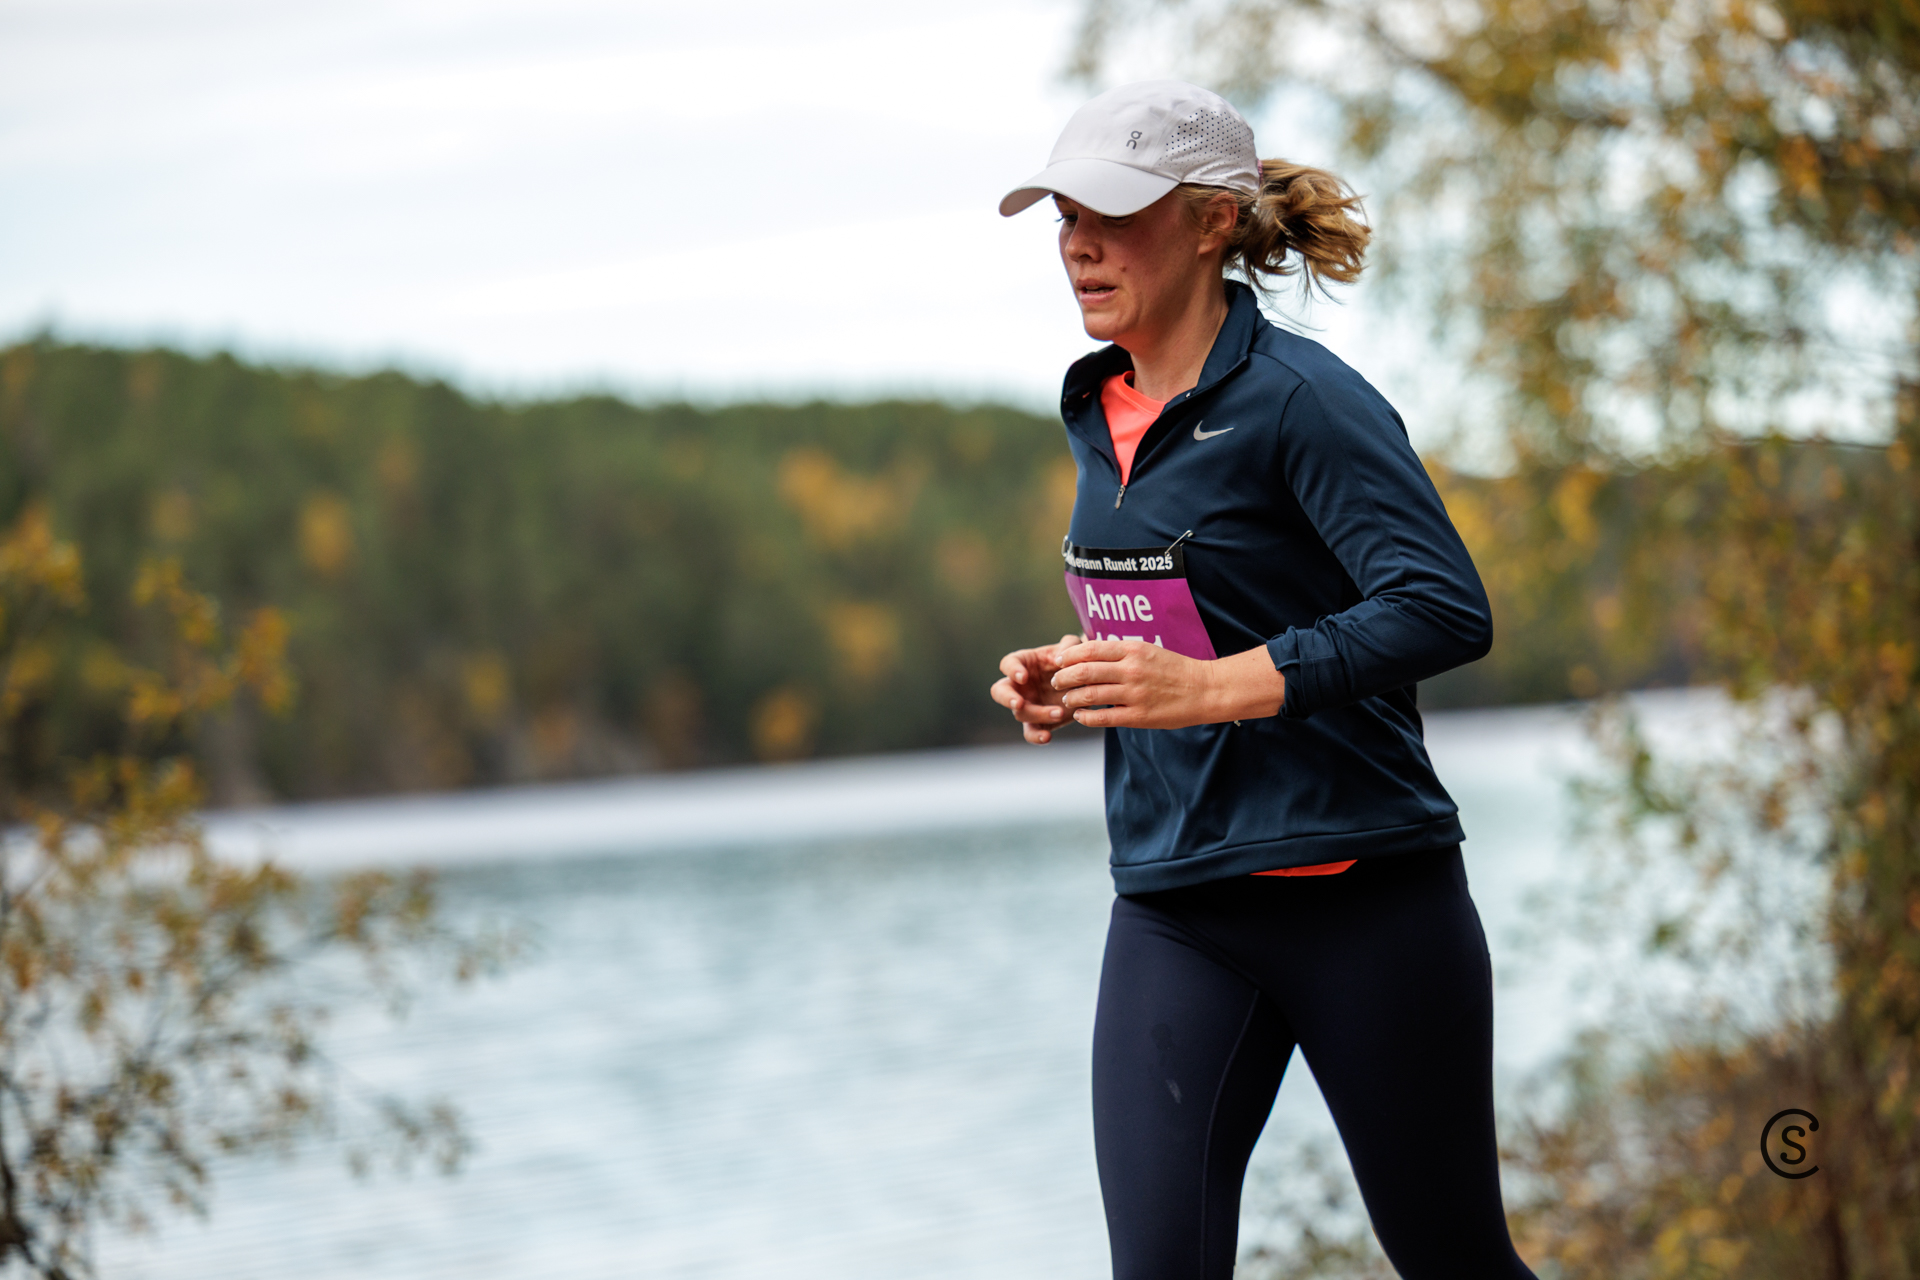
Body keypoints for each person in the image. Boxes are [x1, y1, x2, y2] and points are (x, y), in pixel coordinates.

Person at [988, 81, 1538, 1280]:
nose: (1078, 242)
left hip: (1365, 897)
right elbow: (1207, 609)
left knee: (1455, 1259)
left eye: (1112, 213)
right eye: (1065, 216)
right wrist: (1076, 669)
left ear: (1211, 222)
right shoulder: (1097, 407)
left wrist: (1203, 690)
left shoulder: (1304, 400)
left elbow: (1441, 605)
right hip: (1177, 902)